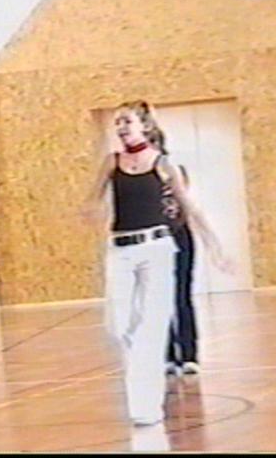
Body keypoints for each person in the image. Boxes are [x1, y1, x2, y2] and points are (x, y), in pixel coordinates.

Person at [82, 100, 231, 427]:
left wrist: (215, 245)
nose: (121, 127)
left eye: (127, 121)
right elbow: (93, 198)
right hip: (122, 249)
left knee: (151, 324)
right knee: (119, 324)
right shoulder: (112, 162)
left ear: (144, 126)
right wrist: (90, 210)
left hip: (157, 248)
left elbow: (190, 208)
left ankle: (146, 405)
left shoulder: (164, 165)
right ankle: (144, 377)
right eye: (118, 122)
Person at [148, 129, 200, 376]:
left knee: (181, 295)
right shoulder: (137, 175)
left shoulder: (175, 170)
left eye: (152, 142)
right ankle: (167, 355)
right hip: (154, 240)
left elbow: (183, 204)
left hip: (179, 236)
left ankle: (189, 355)